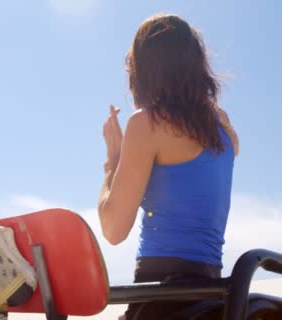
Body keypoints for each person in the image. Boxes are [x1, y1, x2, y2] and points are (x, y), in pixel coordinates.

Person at [99, 13, 239, 320]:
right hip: (211, 297)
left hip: (159, 299)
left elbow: (113, 229)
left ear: (144, 69)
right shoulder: (225, 129)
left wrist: (113, 159)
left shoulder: (146, 123)